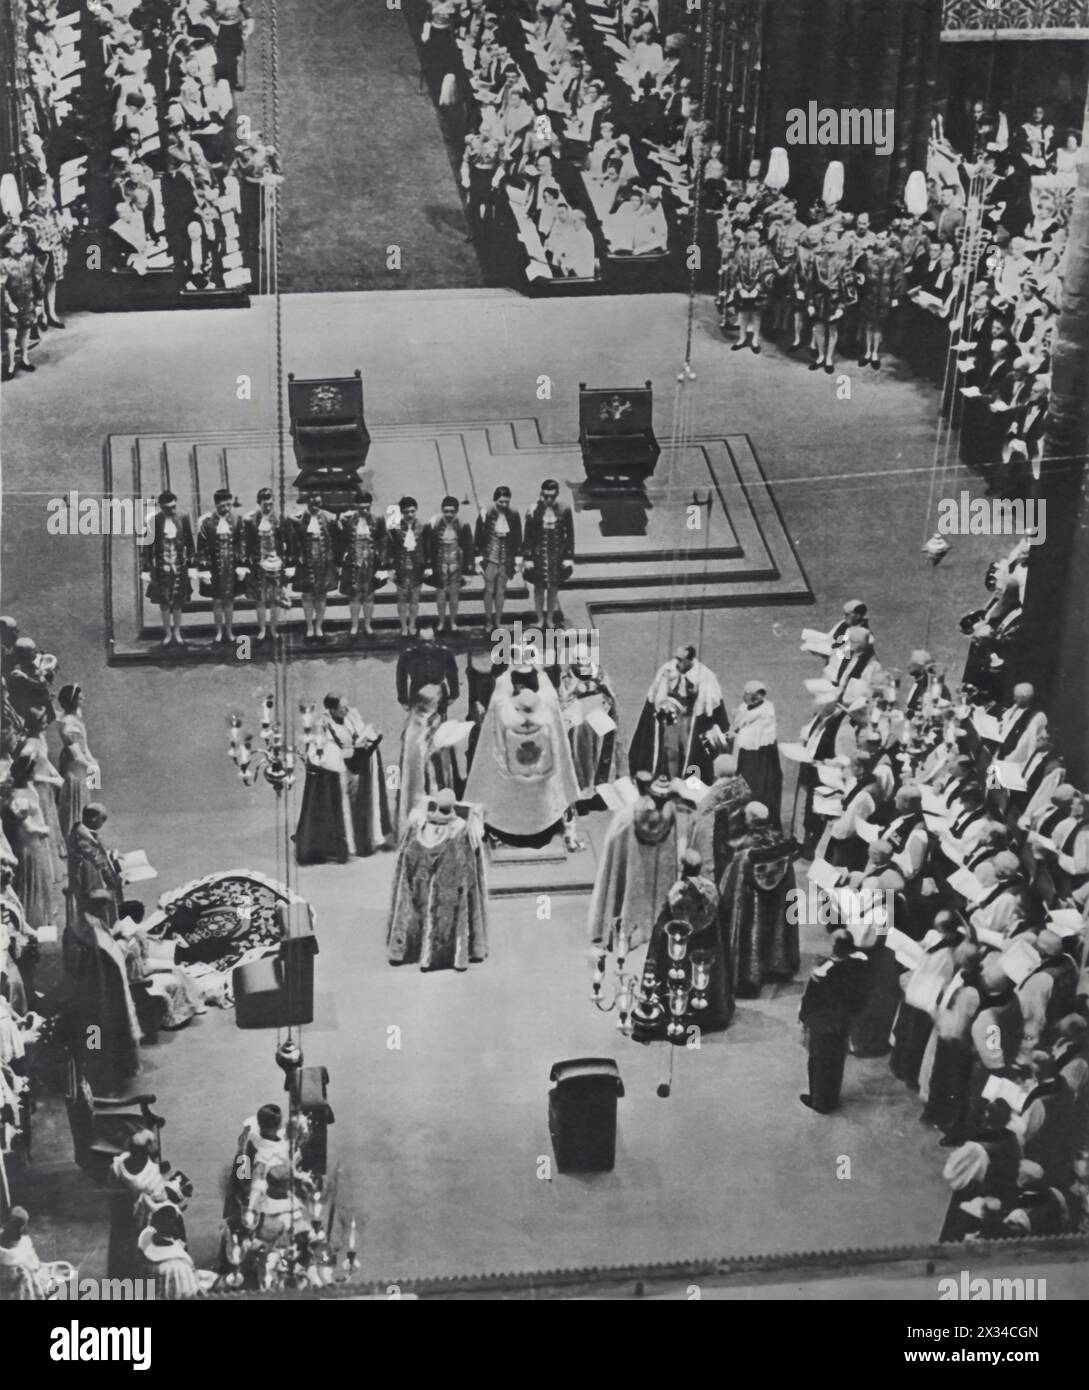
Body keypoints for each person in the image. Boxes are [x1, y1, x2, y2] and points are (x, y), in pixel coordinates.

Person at [464, 676, 580, 846]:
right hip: (541, 796)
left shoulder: (505, 721)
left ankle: (501, 832)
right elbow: (550, 695)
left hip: (511, 792)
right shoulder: (546, 722)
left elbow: (499, 699)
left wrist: (506, 678)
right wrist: (540, 674)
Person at [387, 788, 488, 971]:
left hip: (421, 896)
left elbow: (404, 876)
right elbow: (471, 878)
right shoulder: (463, 833)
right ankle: (460, 953)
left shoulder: (414, 833)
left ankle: (402, 949)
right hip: (450, 901)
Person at [588, 771, 679, 952]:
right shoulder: (672, 816)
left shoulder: (627, 817)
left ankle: (624, 929)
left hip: (633, 875)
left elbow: (613, 850)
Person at [718, 801, 798, 996]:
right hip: (776, 902)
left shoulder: (745, 852)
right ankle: (776, 964)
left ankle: (749, 974)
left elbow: (732, 887)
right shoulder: (780, 845)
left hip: (752, 904)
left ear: (750, 820)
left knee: (751, 932)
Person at [628, 644, 729, 783]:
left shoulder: (705, 676)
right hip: (671, 722)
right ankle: (669, 778)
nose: (678, 663)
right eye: (677, 659)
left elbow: (711, 707)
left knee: (689, 753)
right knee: (670, 752)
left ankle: (688, 780)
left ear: (690, 660)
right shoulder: (668, 669)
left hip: (690, 724)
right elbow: (656, 698)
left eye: (681, 660)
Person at [798, 930, 870, 1113]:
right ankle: (829, 1098)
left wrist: (804, 1018)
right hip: (842, 1021)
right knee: (835, 1062)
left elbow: (811, 1000)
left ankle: (820, 1101)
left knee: (819, 1063)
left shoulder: (824, 971)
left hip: (823, 1024)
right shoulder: (858, 964)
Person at [919, 943, 984, 1144]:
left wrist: (939, 1017)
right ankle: (933, 1109)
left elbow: (961, 1025)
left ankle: (947, 1123)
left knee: (951, 1083)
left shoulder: (971, 992)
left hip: (955, 1042)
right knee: (937, 1075)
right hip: (944, 1033)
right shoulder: (961, 974)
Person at [889, 910, 962, 1089]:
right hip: (921, 994)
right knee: (910, 1037)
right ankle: (904, 1070)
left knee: (913, 1039)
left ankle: (908, 1073)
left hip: (924, 998)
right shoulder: (944, 945)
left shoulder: (947, 953)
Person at [318, 694, 393, 857]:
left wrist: (368, 739)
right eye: (342, 707)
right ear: (332, 709)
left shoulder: (350, 716)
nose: (347, 709)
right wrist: (354, 748)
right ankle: (350, 844)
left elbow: (359, 732)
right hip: (343, 771)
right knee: (349, 806)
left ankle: (365, 839)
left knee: (362, 803)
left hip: (359, 764)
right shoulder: (326, 725)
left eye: (347, 705)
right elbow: (329, 753)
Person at [557, 644, 623, 800]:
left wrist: (599, 690)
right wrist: (575, 690)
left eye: (586, 660)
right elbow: (563, 701)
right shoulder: (567, 676)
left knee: (603, 739)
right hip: (577, 717)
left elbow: (611, 697)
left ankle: (601, 782)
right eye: (580, 661)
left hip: (598, 712)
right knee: (580, 744)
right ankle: (583, 784)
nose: (584, 664)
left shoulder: (600, 673)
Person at [396, 683, 461, 830]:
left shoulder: (436, 718)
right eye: (436, 699)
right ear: (427, 702)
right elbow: (416, 748)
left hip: (437, 767)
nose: (439, 701)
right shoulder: (415, 724)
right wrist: (430, 743)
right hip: (425, 771)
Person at [6, 753, 58, 932]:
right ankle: (33, 918)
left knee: (39, 873)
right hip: (28, 840)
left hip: (35, 839)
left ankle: (41, 914)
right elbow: (27, 827)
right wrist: (44, 830)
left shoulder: (27, 787)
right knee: (32, 874)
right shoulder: (18, 797)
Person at [140, 491, 195, 647]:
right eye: (167, 508)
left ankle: (177, 632)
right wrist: (145, 568)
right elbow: (147, 547)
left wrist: (192, 566)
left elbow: (190, 544)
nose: (171, 510)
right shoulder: (154, 521)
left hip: (179, 566)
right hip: (161, 567)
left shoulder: (183, 518)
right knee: (163, 602)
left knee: (178, 601)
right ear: (161, 507)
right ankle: (167, 633)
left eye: (173, 507)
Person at [241, 487, 292, 645]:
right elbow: (246, 544)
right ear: (258, 503)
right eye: (265, 504)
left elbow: (289, 541)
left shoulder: (281, 519)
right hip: (257, 565)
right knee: (260, 599)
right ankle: (262, 630)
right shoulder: (250, 521)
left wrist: (289, 564)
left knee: (276, 599)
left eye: (270, 503)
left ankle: (274, 630)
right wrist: (244, 563)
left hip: (276, 564)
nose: (268, 507)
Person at [729, 680, 782, 825]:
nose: (746, 698)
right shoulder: (744, 708)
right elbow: (738, 726)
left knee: (758, 793)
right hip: (745, 758)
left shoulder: (766, 713)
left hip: (760, 759)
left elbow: (754, 738)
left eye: (750, 695)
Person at [523, 479, 574, 628]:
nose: (549, 500)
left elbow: (570, 534)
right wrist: (527, 558)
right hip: (538, 555)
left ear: (557, 495)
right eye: (546, 496)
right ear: (541, 494)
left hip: (556, 555)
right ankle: (540, 619)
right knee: (538, 588)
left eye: (552, 496)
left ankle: (550, 618)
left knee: (553, 588)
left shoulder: (564, 509)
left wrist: (569, 557)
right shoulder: (533, 510)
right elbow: (527, 536)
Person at [196, 487, 243, 645]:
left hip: (231, 566)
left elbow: (241, 544)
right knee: (216, 600)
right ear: (216, 505)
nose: (226, 509)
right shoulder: (207, 523)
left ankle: (229, 632)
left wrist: (241, 564)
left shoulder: (237, 521)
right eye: (223, 506)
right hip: (214, 567)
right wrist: (203, 569)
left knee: (229, 600)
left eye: (229, 505)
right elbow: (201, 548)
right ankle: (218, 632)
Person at [337, 491, 387, 640]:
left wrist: (382, 565)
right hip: (353, 562)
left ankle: (367, 626)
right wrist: (339, 521)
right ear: (356, 506)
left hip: (371, 563)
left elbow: (383, 540)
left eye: (367, 507)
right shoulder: (349, 520)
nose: (364, 511)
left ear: (370, 505)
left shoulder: (378, 520)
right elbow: (340, 540)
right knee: (354, 596)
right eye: (361, 508)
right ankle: (354, 627)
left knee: (369, 595)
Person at [291, 493, 339, 644]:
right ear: (306, 503)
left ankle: (319, 626)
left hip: (324, 562)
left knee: (321, 595)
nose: (314, 507)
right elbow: (293, 539)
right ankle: (309, 626)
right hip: (305, 563)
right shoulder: (298, 518)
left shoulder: (329, 519)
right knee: (307, 595)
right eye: (311, 504)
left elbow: (338, 539)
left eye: (317, 503)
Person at [424, 496, 475, 634]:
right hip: (439, 564)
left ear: (456, 511)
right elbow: (427, 545)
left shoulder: (463, 524)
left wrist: (468, 571)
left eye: (452, 511)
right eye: (446, 511)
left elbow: (469, 547)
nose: (449, 514)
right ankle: (441, 621)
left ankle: (452, 621)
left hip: (456, 564)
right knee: (440, 594)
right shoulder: (434, 523)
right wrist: (428, 566)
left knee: (454, 595)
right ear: (442, 510)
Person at [475, 486, 523, 629]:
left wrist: (518, 558)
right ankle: (488, 620)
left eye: (506, 502)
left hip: (506, 558)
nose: (503, 505)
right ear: (495, 500)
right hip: (490, 557)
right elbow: (478, 536)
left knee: (501, 590)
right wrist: (477, 559)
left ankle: (498, 621)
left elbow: (517, 536)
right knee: (489, 590)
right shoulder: (486, 514)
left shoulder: (513, 514)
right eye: (501, 502)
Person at [857, 226, 905, 370]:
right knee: (868, 323)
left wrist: (896, 296)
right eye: (878, 238)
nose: (880, 241)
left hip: (884, 294)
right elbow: (859, 270)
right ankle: (867, 352)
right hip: (869, 293)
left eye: (883, 238)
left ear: (888, 239)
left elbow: (898, 277)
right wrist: (860, 279)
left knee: (878, 324)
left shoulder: (894, 256)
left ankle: (875, 353)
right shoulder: (868, 254)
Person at [55, 684, 99, 839]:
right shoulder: (68, 723)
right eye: (80, 698)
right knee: (75, 802)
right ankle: (73, 838)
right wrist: (91, 765)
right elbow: (76, 755)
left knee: (86, 798)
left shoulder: (75, 717)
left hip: (80, 765)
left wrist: (92, 760)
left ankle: (85, 834)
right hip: (74, 768)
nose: (84, 699)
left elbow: (84, 746)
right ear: (73, 701)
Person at [722, 226, 775, 352]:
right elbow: (733, 270)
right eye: (749, 237)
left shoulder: (764, 252)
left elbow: (769, 272)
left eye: (754, 237)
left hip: (758, 288)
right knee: (743, 314)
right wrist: (738, 285)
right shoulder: (740, 251)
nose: (751, 239)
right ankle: (742, 337)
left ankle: (755, 340)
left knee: (756, 315)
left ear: (758, 238)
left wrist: (759, 287)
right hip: (742, 287)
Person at [396, 625, 459, 714]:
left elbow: (452, 674)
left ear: (434, 640)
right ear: (418, 640)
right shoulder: (408, 655)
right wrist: (403, 699)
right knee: (419, 722)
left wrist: (454, 694)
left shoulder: (445, 653)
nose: (426, 645)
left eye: (430, 641)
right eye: (423, 642)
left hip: (438, 692)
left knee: (439, 722)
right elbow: (401, 677)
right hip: (417, 692)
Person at [387, 497, 427, 638]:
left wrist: (427, 566)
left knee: (415, 599)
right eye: (406, 512)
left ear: (416, 510)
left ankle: (412, 625)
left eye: (412, 511)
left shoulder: (423, 528)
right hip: (401, 567)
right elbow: (390, 549)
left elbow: (426, 548)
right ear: (401, 513)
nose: (409, 515)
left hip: (417, 568)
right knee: (402, 598)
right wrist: (390, 568)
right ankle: (403, 626)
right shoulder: (394, 529)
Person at [0, 1207, 48, 1300]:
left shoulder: (22, 1242)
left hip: (9, 1278)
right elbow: (31, 1262)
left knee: (24, 1273)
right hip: (12, 1279)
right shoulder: (24, 1243)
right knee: (25, 1274)